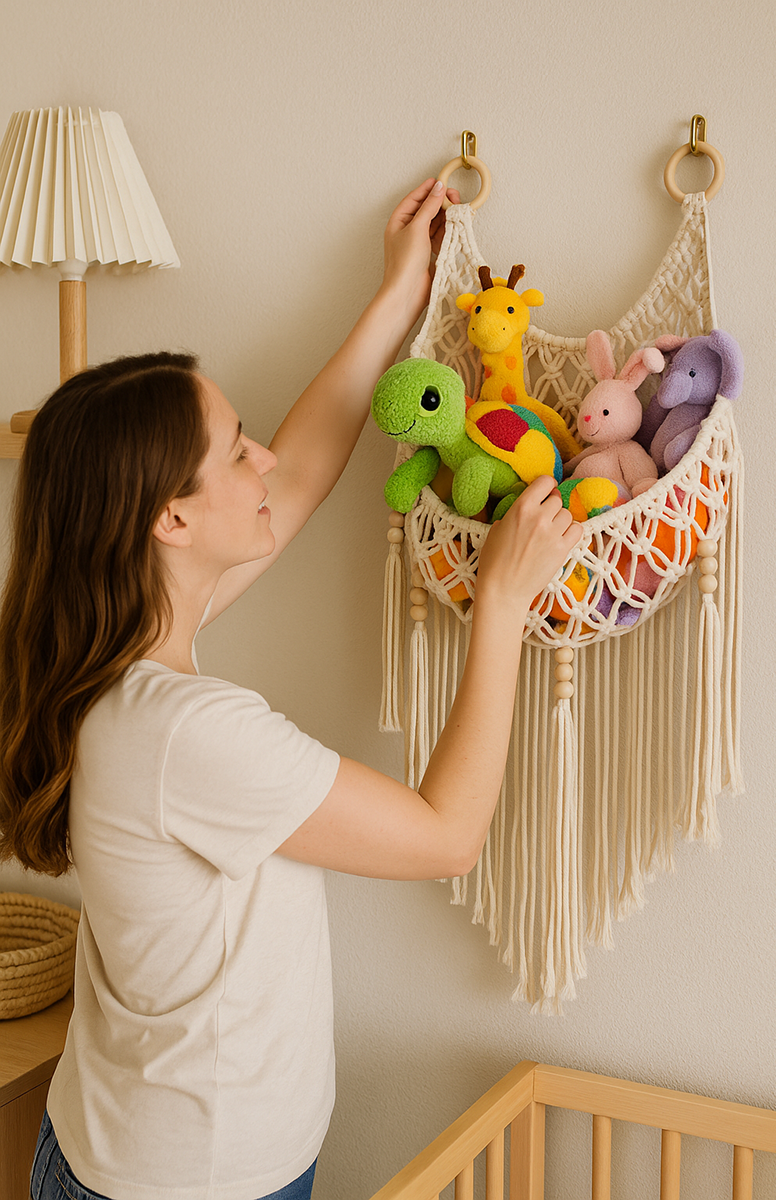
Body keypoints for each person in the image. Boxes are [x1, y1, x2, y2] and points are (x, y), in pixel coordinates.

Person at [0, 179, 582, 1200]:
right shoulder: (189, 732)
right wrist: (500, 604)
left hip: (123, 1147)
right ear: (171, 522)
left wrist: (396, 296)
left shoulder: (101, 662)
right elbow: (445, 836)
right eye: (235, 450)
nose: (262, 454)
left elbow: (302, 473)